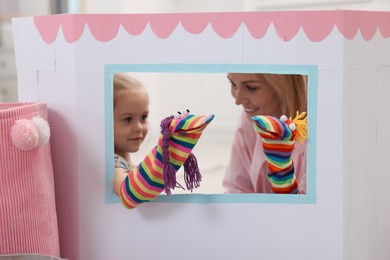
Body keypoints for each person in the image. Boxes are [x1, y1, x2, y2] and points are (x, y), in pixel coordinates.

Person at [223, 73, 308, 194]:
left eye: (251, 88)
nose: (238, 100)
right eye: (232, 83)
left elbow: (311, 210)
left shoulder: (323, 133)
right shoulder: (253, 118)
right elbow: (237, 189)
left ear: (284, 86)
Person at [113, 73, 150, 197]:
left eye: (143, 117)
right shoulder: (113, 164)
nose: (139, 127)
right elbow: (128, 192)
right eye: (128, 119)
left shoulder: (123, 162)